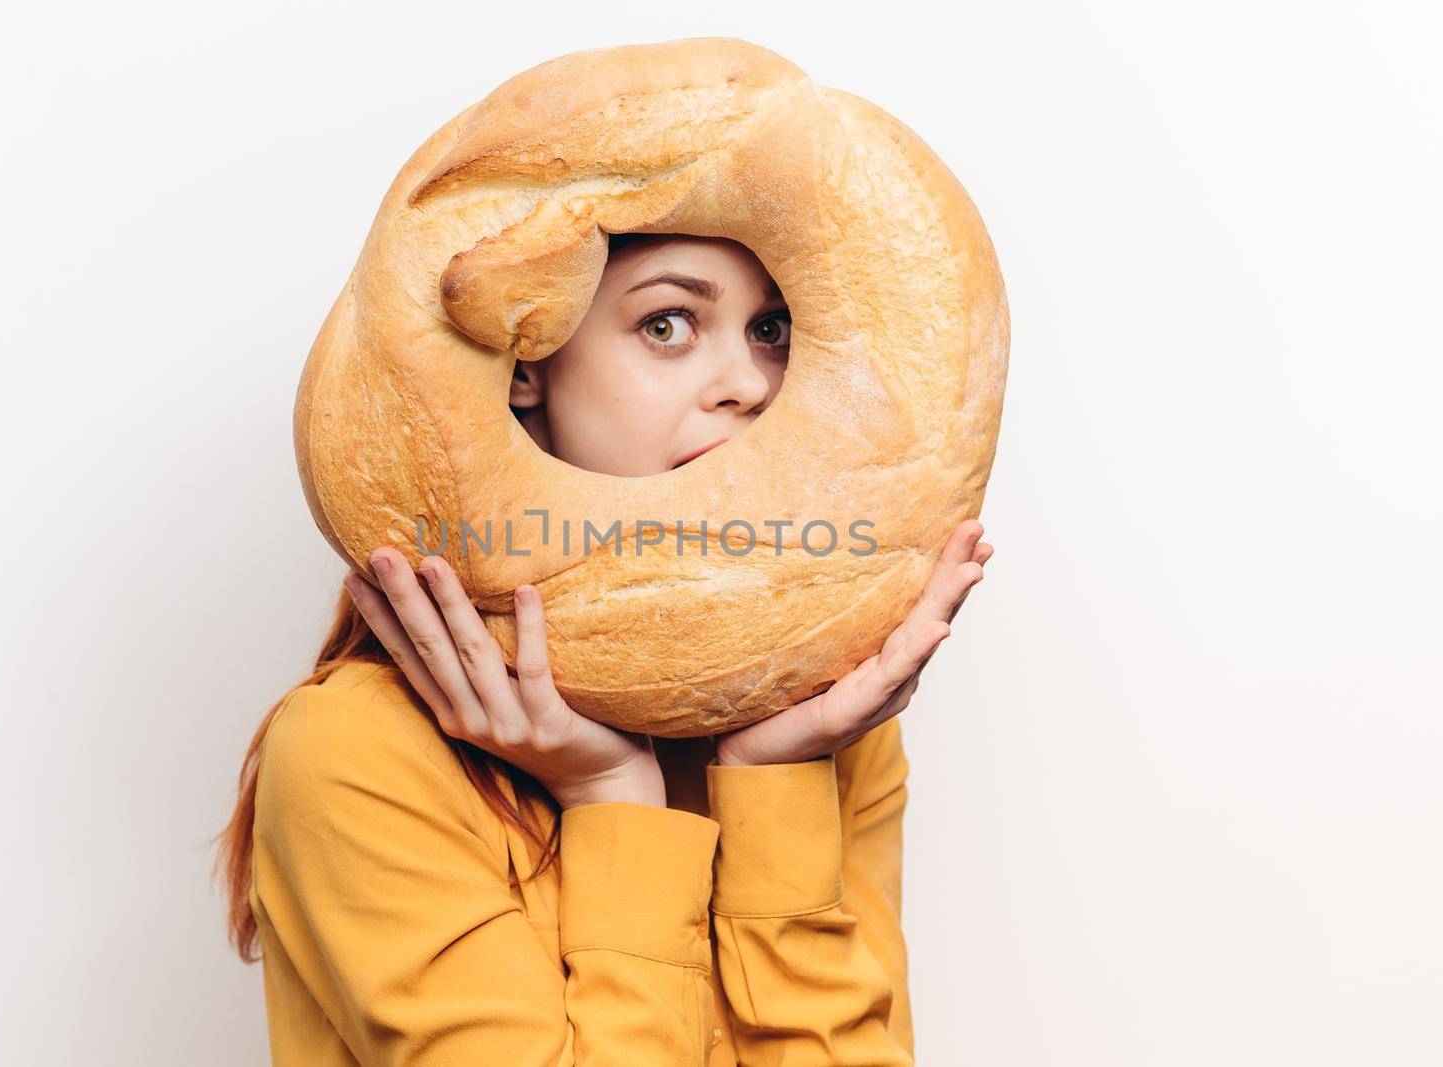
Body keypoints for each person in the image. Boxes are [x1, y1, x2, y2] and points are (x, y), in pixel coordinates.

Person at [215, 231, 993, 1065]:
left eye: (770, 330)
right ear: (527, 362)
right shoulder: (357, 750)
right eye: (668, 324)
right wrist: (611, 792)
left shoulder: (828, 724)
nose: (749, 384)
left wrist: (775, 784)